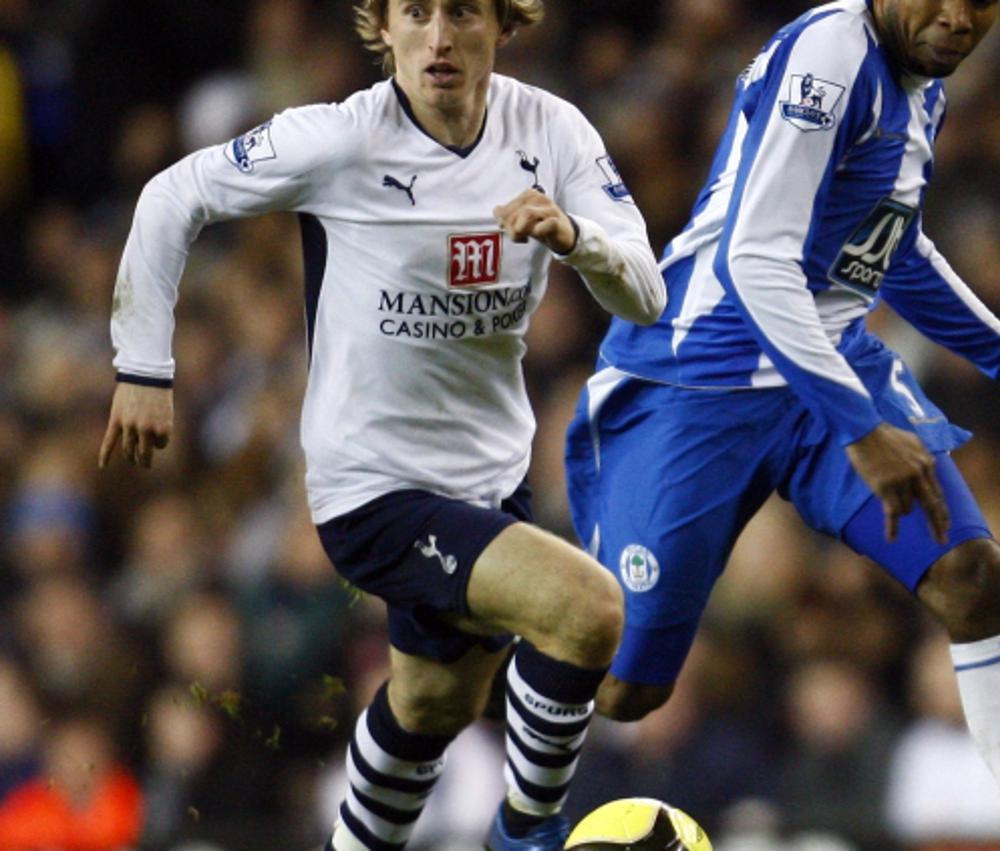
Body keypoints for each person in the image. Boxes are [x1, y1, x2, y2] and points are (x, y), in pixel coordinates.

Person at [99, 1, 665, 849]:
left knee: (436, 705)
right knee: (587, 610)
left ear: (503, 24)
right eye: (416, 13)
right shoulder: (338, 140)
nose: (438, 37)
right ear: (384, 26)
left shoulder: (552, 131)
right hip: (372, 487)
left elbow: (646, 294)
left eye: (463, 12)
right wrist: (144, 365)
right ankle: (529, 833)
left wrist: (575, 235)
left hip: (489, 479)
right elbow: (173, 194)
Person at [565, 1, 1000, 849]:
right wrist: (860, 429)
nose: (960, 17)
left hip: (822, 360)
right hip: (699, 377)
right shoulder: (830, 54)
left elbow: (889, 245)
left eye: (983, 1)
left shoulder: (921, 79)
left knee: (975, 578)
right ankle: (499, 619)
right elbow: (754, 257)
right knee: (627, 691)